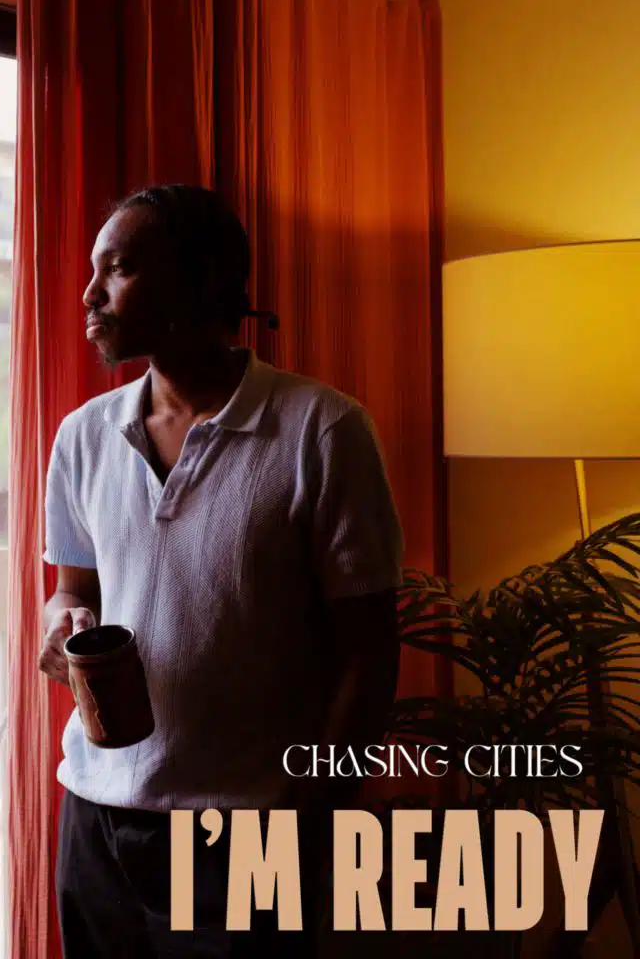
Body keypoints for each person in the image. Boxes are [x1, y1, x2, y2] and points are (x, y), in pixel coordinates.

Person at [38, 184, 403, 958]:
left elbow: (369, 651)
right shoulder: (83, 435)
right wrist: (61, 623)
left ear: (200, 281)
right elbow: (73, 587)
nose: (90, 293)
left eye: (120, 268)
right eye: (95, 270)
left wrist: (315, 814)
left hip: (251, 825)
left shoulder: (321, 429)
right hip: (96, 814)